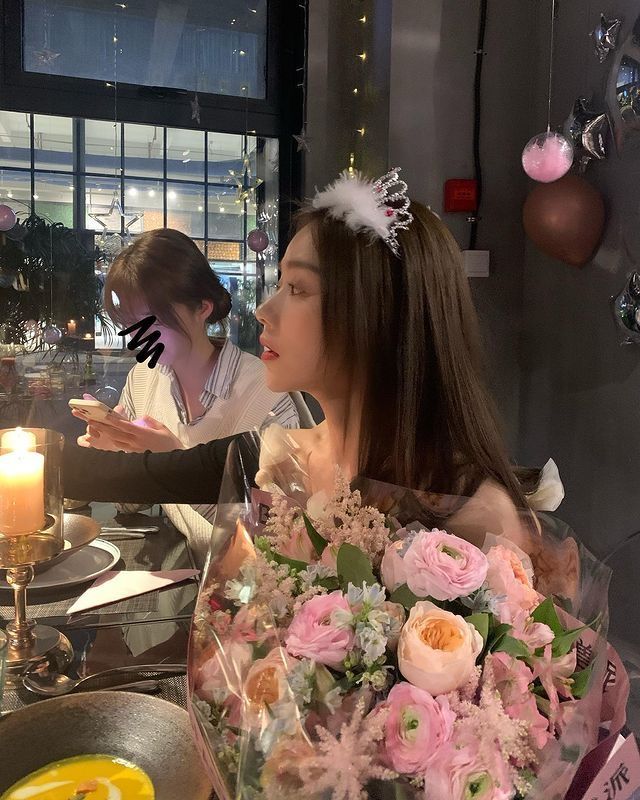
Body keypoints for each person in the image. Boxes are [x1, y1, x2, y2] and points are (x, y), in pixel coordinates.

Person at [73, 169, 552, 558]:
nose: (264, 310)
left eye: (297, 288)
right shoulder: (281, 458)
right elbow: (121, 476)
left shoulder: (472, 515)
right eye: (279, 283)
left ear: (376, 316)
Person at [77, 228, 309, 559]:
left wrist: (172, 459)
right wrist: (118, 452)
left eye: (148, 322)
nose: (136, 338)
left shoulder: (267, 398)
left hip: (241, 590)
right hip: (177, 570)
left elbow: (275, 544)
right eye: (128, 323)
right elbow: (130, 504)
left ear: (202, 307)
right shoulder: (143, 379)